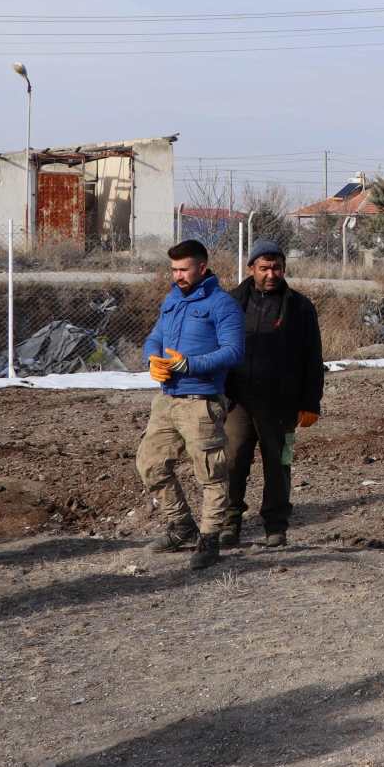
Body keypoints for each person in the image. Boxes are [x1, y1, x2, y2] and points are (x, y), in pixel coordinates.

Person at [138, 239, 244, 571]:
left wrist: (190, 365)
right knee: (150, 464)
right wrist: (151, 357)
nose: (178, 275)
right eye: (174, 269)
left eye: (183, 269)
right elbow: (155, 336)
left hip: (201, 403)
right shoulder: (172, 300)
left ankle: (210, 539)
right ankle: (182, 526)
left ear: (202, 266)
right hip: (167, 400)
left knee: (210, 473)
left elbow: (234, 352)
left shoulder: (222, 305)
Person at [222, 239, 325, 549]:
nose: (270, 274)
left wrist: (310, 403)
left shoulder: (300, 307)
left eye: (276, 267)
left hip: (282, 405)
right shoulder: (231, 302)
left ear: (284, 269)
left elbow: (312, 358)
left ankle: (275, 527)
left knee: (279, 463)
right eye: (264, 268)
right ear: (251, 268)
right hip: (237, 401)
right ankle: (229, 523)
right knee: (233, 460)